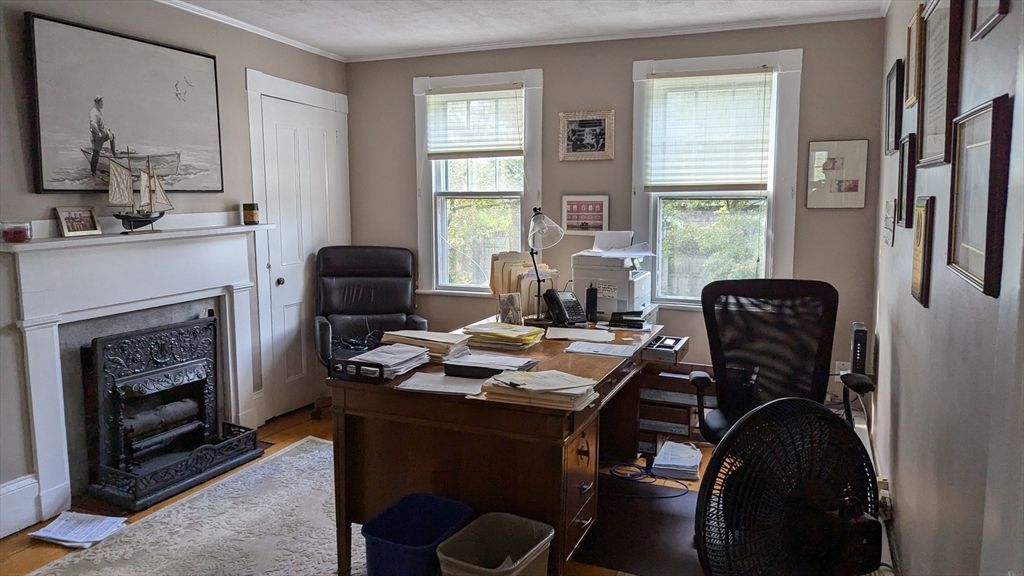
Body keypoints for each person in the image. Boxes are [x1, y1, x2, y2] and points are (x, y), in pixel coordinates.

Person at [89, 96, 116, 175]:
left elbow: (101, 124)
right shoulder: (93, 112)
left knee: (112, 135)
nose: (103, 104)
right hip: (98, 136)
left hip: (103, 133)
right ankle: (93, 172)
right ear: (98, 103)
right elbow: (93, 124)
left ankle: (114, 154)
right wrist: (98, 133)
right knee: (96, 154)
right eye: (101, 102)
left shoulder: (99, 111)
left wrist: (107, 131)